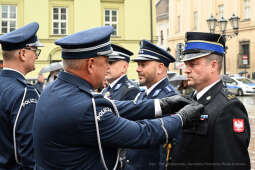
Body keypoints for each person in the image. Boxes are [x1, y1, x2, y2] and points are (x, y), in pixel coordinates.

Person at [33, 26, 204, 170]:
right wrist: (181, 118)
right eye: (106, 61)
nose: (107, 68)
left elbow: (112, 106)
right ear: (91, 64)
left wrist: (162, 105)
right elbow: (141, 133)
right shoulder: (84, 107)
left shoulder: (55, 90)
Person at [168, 32, 250, 170]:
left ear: (213, 66)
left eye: (193, 64)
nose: (186, 70)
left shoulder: (228, 108)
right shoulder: (190, 101)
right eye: (186, 64)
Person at [123, 40, 179, 170]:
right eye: (138, 64)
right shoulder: (141, 95)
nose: (137, 69)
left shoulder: (170, 99)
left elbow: (166, 148)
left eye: (143, 64)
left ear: (160, 67)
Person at [0, 22, 43, 169]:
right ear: (23, 54)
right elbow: (29, 152)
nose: (36, 56)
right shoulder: (25, 92)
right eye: (35, 50)